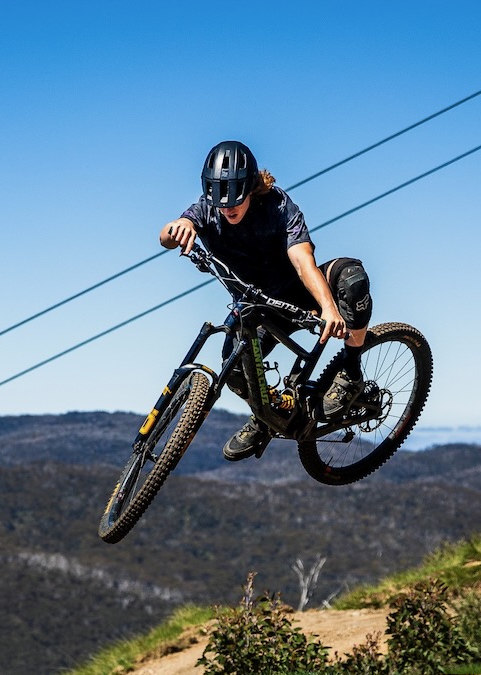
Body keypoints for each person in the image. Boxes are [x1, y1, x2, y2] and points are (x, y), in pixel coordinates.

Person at [159, 140, 374, 461]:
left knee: (352, 278)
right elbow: (168, 234)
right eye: (220, 198)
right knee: (232, 368)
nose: (228, 207)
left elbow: (303, 261)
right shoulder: (206, 210)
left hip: (299, 294)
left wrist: (329, 307)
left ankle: (351, 374)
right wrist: (178, 227)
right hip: (257, 309)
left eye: (235, 196)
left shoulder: (278, 207)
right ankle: (266, 417)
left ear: (250, 187)